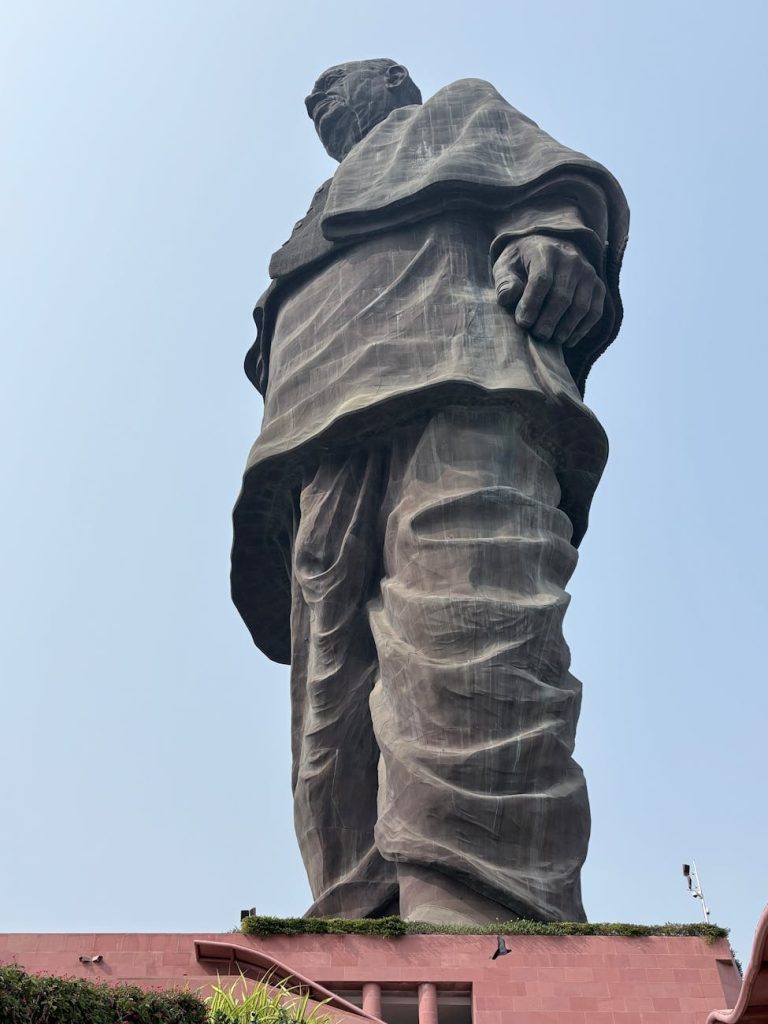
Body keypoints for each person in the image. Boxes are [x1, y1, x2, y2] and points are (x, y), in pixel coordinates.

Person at [232, 59, 629, 924]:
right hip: (318, 434)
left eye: (341, 87)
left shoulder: (458, 113)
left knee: (470, 623)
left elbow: (547, 194)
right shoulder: (316, 213)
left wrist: (552, 241)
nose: (320, 103)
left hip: (463, 381)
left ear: (394, 86)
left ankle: (477, 908)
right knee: (329, 705)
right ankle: (358, 907)